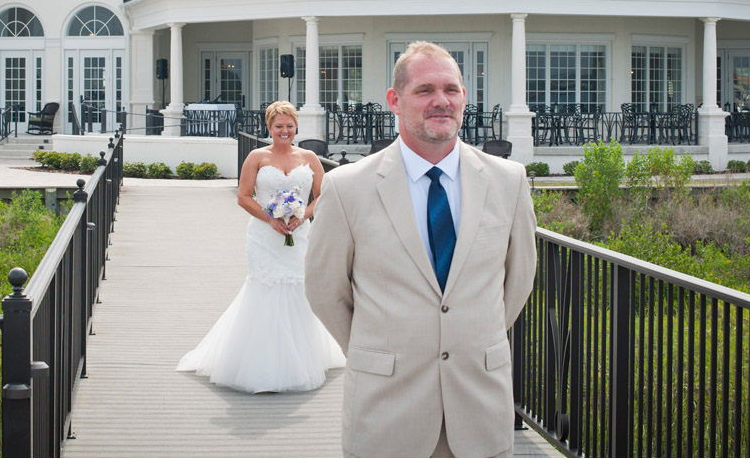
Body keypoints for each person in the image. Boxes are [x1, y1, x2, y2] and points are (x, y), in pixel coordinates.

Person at [306, 42, 537, 457]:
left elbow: (518, 279)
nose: (441, 101)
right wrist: (376, 348)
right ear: (395, 100)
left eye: (452, 89)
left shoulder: (509, 181)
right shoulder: (346, 188)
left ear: (464, 97)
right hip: (386, 413)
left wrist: (470, 337)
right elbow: (325, 289)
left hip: (480, 409)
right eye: (425, 90)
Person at [177, 101, 345, 393]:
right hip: (264, 236)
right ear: (269, 127)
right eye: (278, 126)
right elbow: (243, 196)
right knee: (265, 289)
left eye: (289, 126)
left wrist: (301, 215)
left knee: (297, 288)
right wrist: (271, 219)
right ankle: (261, 363)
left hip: (299, 235)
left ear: (296, 127)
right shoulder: (256, 156)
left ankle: (300, 358)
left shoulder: (309, 157)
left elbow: (323, 196)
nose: (285, 131)